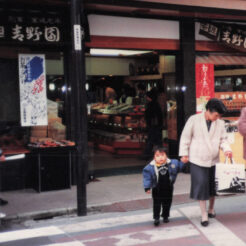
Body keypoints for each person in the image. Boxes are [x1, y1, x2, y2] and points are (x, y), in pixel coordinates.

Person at [179, 98, 232, 227]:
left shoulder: (219, 123)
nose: (218, 117)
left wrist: (227, 149)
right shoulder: (194, 119)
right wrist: (184, 153)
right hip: (197, 158)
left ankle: (211, 209)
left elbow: (223, 139)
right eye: (216, 115)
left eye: (220, 116)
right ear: (208, 111)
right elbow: (186, 137)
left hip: (213, 159)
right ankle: (203, 214)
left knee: (212, 187)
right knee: (201, 186)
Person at [143, 146, 185, 226]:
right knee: (157, 204)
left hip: (168, 187)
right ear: (154, 157)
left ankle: (165, 216)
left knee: (167, 203)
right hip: (157, 188)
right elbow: (147, 178)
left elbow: (179, 167)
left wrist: (183, 162)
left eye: (162, 155)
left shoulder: (172, 163)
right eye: (157, 156)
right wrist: (147, 187)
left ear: (166, 156)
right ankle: (156, 218)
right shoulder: (150, 167)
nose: (160, 157)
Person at [143, 89, 163, 160]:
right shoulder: (156, 104)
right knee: (156, 141)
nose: (146, 98)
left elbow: (149, 115)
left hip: (153, 125)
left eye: (147, 97)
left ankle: (147, 155)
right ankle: (159, 155)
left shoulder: (151, 105)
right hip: (157, 125)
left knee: (151, 140)